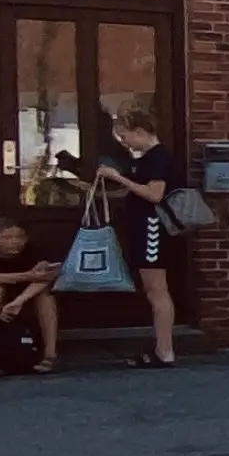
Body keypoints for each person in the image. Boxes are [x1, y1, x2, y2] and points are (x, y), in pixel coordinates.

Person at [87, 108, 183, 365]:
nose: (123, 142)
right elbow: (139, 192)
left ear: (140, 132)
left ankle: (165, 350)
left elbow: (154, 194)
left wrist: (118, 178)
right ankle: (162, 349)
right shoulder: (147, 158)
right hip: (144, 225)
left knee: (157, 289)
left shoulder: (158, 158)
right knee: (153, 288)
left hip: (153, 227)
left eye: (125, 136)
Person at [0, 219, 62, 373]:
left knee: (46, 297)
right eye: (7, 237)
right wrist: (28, 275)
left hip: (25, 300)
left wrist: (18, 302)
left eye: (19, 237)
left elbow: (48, 276)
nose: (14, 242)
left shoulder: (35, 252)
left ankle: (50, 355)